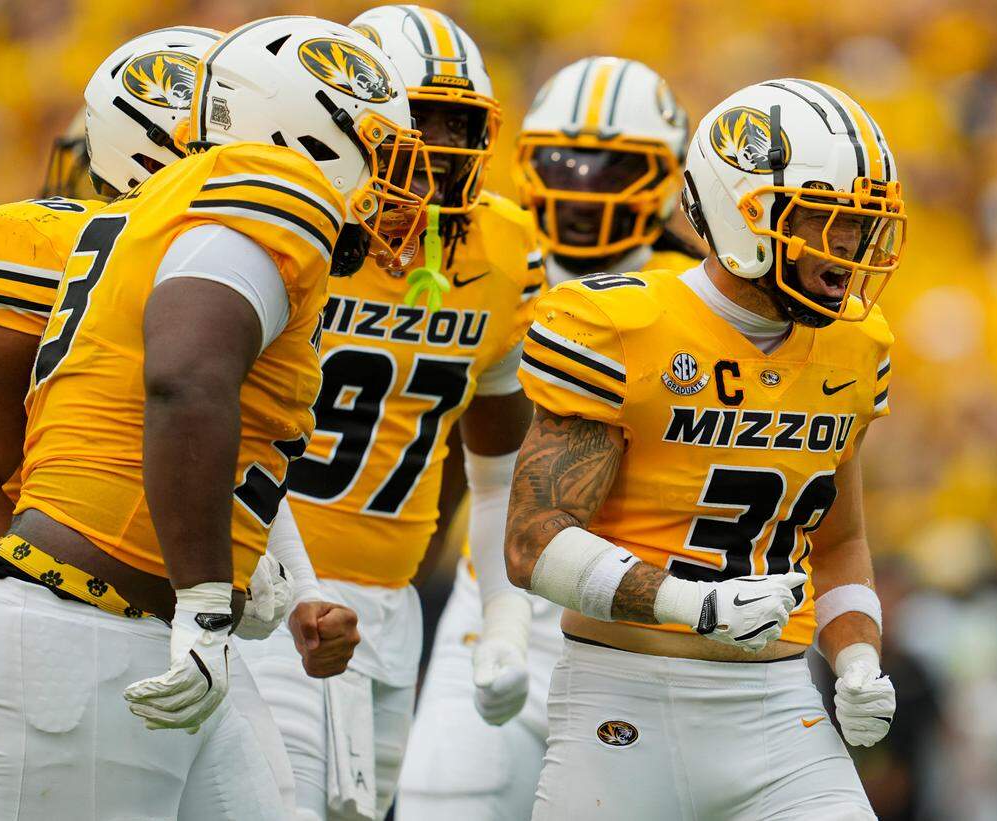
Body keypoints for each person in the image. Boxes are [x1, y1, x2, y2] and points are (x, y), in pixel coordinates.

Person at [0, 17, 429, 819]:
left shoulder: (168, 206)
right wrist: (205, 596)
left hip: (120, 625)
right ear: (301, 131)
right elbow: (185, 382)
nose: (399, 181)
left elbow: (192, 411)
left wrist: (255, 579)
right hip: (86, 625)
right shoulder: (276, 183)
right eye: (382, 149)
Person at [506, 79, 906, 819]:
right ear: (737, 210)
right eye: (824, 217)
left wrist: (856, 659)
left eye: (860, 222)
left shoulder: (856, 344)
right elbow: (534, 542)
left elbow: (839, 540)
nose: (848, 246)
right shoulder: (621, 324)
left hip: (780, 711)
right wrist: (695, 604)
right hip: (621, 704)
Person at [236, 7, 545, 819]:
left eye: (460, 124)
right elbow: (214, 422)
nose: (442, 147)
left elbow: (496, 473)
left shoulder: (504, 249)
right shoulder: (295, 226)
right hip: (269, 590)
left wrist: (503, 619)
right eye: (422, 118)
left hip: (395, 602)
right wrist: (284, 583)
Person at [397, 56, 699, 821]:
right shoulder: (490, 261)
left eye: (611, 166)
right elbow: (465, 449)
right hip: (495, 597)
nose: (581, 185)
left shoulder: (702, 296)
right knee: (442, 803)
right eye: (563, 159)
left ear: (670, 178)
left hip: (629, 621)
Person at [0, 27, 220, 821]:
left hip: (166, 621)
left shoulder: (236, 269)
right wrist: (55, 596)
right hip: (49, 602)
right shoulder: (54, 247)